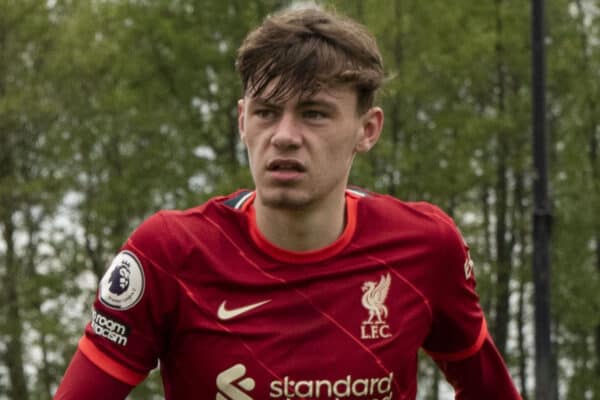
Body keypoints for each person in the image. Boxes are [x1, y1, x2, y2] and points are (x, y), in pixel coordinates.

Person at [55, 6, 521, 400]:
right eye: (266, 112)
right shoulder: (167, 254)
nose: (284, 137)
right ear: (242, 121)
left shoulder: (426, 247)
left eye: (314, 113)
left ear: (368, 129)